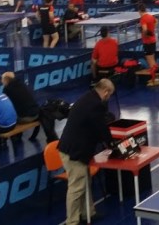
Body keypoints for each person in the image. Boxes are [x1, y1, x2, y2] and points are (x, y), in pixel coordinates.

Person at [58, 79, 115, 225]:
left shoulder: (87, 97)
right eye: (109, 95)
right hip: (74, 152)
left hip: (73, 148)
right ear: (106, 92)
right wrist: (112, 144)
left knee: (85, 182)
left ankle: (88, 213)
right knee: (76, 187)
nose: (108, 98)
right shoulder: (96, 105)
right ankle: (72, 221)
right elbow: (101, 128)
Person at [138, 3, 159, 87]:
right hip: (153, 40)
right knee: (153, 60)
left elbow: (144, 29)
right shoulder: (151, 16)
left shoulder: (143, 18)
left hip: (147, 42)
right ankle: (155, 78)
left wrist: (144, 35)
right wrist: (152, 30)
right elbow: (156, 22)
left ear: (139, 11)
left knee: (151, 62)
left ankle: (156, 80)